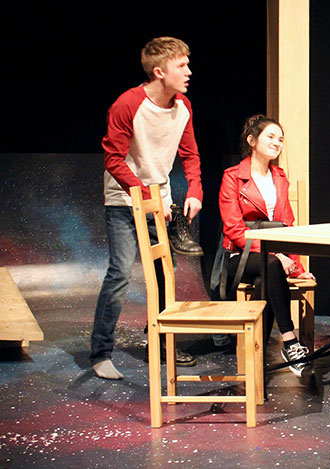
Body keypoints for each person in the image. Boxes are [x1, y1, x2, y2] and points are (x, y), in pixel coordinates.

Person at [91, 36, 203, 380]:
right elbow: (113, 159)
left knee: (164, 275)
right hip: (125, 198)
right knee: (121, 272)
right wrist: (143, 192)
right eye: (181, 65)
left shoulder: (183, 105)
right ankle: (101, 352)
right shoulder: (128, 104)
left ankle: (162, 343)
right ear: (159, 71)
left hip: (160, 198)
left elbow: (190, 153)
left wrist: (194, 190)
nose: (189, 71)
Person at [218, 115, 315, 378]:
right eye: (270, 137)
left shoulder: (279, 177)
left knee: (267, 278)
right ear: (252, 141)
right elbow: (235, 230)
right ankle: (291, 342)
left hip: (273, 259)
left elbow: (288, 226)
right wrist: (276, 254)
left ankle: (255, 361)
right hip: (241, 254)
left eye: (280, 139)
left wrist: (295, 267)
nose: (277, 143)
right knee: (270, 264)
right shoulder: (233, 178)